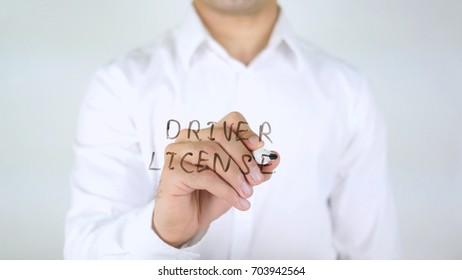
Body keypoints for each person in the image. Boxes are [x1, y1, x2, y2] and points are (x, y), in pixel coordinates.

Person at [64, 0, 399, 259]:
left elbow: (373, 260)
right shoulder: (120, 84)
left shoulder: (348, 92)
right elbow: (83, 257)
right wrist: (163, 232)